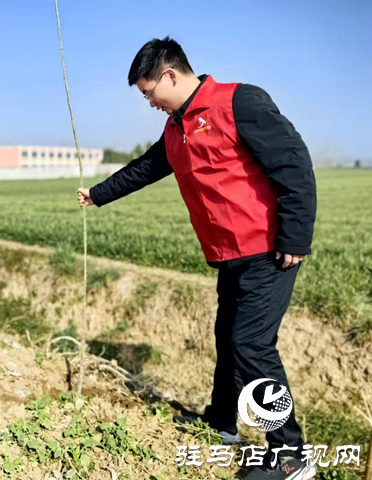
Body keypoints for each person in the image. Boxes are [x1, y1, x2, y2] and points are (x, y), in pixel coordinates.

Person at [77, 37, 317, 480]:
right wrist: (96, 194)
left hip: (269, 249)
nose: (148, 102)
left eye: (149, 92)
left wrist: (297, 237)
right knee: (228, 339)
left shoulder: (237, 101)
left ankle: (291, 456)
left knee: (251, 345)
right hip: (230, 255)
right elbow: (146, 168)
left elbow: (293, 163)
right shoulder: (175, 128)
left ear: (170, 75)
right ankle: (222, 424)